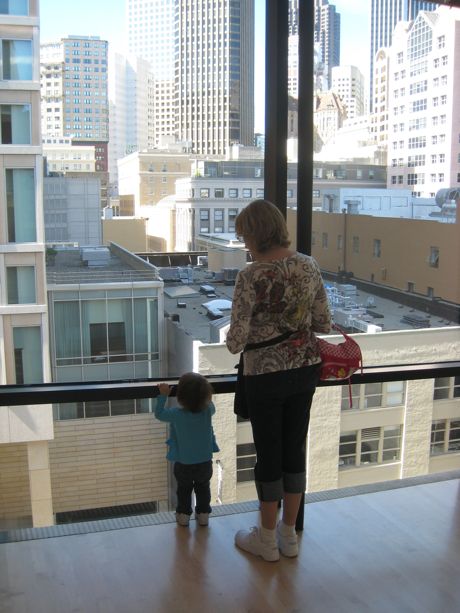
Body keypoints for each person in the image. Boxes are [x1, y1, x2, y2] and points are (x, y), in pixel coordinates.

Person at [226, 199, 331, 562]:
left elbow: (235, 343)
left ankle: (266, 540)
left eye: (244, 236)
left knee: (268, 454)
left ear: (256, 234)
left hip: (265, 375)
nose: (244, 244)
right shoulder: (308, 265)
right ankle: (289, 535)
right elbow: (323, 323)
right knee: (293, 449)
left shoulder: (250, 276)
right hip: (304, 369)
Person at [155, 372, 219, 527]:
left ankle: (183, 515)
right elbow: (210, 403)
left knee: (184, 490)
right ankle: (203, 514)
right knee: (203, 489)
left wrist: (163, 395)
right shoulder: (208, 411)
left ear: (180, 395)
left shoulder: (177, 414)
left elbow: (159, 414)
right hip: (204, 462)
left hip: (184, 463)